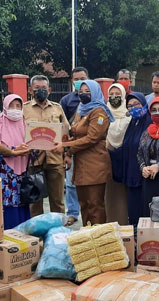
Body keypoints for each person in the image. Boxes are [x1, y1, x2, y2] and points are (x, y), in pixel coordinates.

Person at [57, 80, 112, 225]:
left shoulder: (100, 112)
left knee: (95, 205)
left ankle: (99, 239)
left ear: (94, 92)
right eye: (81, 91)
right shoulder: (81, 110)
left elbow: (92, 138)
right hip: (81, 164)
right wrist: (68, 154)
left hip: (95, 165)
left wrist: (66, 146)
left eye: (87, 91)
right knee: (84, 204)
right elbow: (76, 134)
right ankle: (87, 237)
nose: (83, 94)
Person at [23, 75, 70, 221]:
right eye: (37, 88)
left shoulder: (57, 108)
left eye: (44, 88)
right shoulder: (24, 109)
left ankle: (59, 232)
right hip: (33, 161)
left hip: (55, 160)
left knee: (57, 201)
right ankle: (36, 236)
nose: (40, 91)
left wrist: (68, 155)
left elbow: (66, 131)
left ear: (49, 90)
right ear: (30, 90)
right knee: (35, 202)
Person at [109, 92, 153, 227]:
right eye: (129, 106)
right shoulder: (133, 123)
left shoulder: (150, 123)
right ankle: (135, 235)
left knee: (144, 208)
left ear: (143, 103)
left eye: (136, 104)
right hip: (133, 173)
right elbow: (127, 146)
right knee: (133, 207)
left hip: (146, 175)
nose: (133, 108)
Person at [0, 94, 31, 229]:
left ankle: (23, 233)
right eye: (12, 106)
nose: (15, 109)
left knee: (21, 199)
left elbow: (31, 141)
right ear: (5, 106)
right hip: (5, 168)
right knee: (7, 200)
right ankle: (8, 232)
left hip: (22, 166)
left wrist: (31, 147)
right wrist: (14, 149)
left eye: (18, 106)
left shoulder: (24, 122)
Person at [58, 67, 88, 225]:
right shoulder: (67, 100)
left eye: (82, 78)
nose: (79, 82)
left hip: (89, 147)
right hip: (71, 145)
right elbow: (62, 124)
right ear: (72, 81)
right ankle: (73, 213)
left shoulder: (95, 99)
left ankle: (88, 210)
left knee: (89, 181)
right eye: (76, 79)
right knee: (70, 182)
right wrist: (65, 148)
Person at [105, 82, 131, 225]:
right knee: (110, 195)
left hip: (125, 159)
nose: (114, 97)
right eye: (111, 95)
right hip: (108, 159)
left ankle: (125, 225)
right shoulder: (103, 114)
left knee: (124, 195)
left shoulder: (129, 116)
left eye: (117, 95)